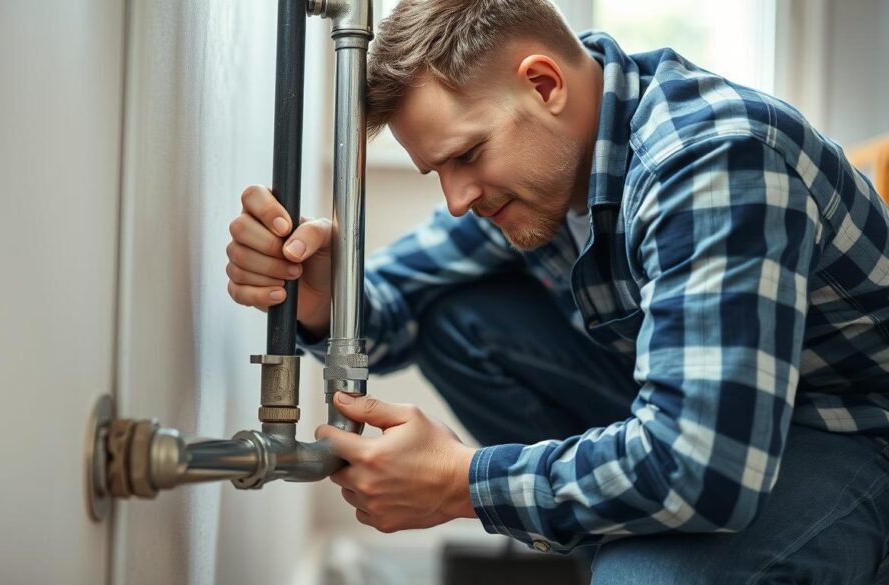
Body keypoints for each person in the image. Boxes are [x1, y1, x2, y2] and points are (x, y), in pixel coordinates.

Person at [226, 0, 889, 582]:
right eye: (438, 171)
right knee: (455, 314)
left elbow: (702, 466)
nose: (457, 200)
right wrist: (317, 298)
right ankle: (621, 538)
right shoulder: (550, 168)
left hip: (851, 436)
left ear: (543, 84)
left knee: (644, 575)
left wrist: (463, 483)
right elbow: (396, 306)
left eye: (466, 156)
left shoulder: (711, 159)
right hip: (722, 428)